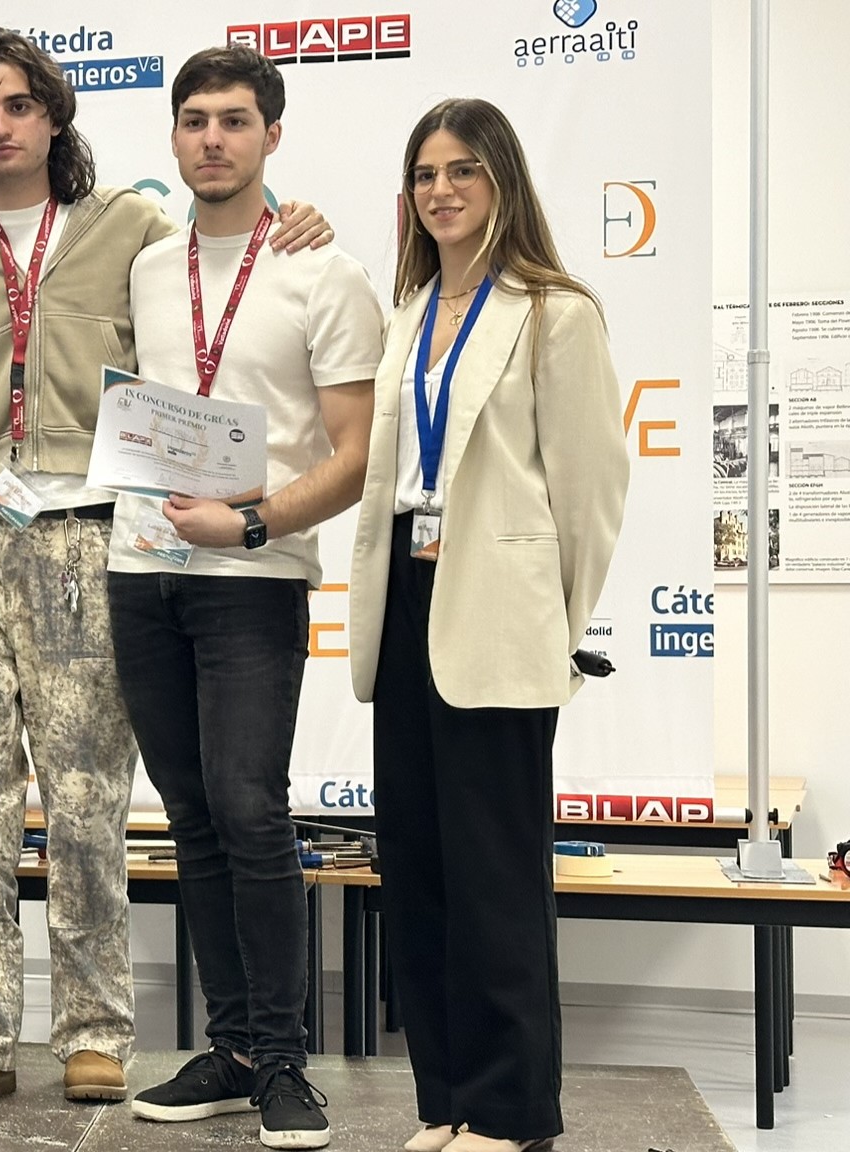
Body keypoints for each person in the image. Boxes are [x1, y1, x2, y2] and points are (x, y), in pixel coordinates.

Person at [0, 29, 330, 1111]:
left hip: (90, 530)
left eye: (16, 105)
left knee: (87, 795)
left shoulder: (129, 229)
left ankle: (93, 1028)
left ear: (53, 117)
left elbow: (221, 275)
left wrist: (299, 221)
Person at [108, 47, 382, 1151]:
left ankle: (281, 1061)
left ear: (272, 135)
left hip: (253, 578)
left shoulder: (324, 270)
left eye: (233, 120)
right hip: (141, 570)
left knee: (249, 810)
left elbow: (355, 456)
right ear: (173, 136)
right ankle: (228, 1050)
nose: (211, 138)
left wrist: (255, 522)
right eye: (194, 120)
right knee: (189, 816)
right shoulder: (145, 263)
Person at [348, 97, 628, 1152]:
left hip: (499, 614)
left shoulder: (554, 311)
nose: (441, 190)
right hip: (405, 608)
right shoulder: (411, 310)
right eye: (424, 173)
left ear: (501, 178)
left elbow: (591, 492)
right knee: (418, 869)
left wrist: (550, 619)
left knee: (494, 875)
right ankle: (449, 1101)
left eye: (462, 169)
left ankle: (511, 1112)